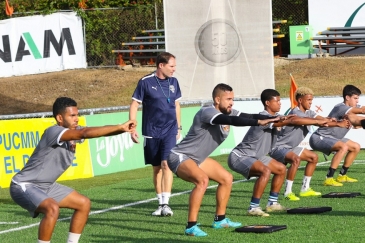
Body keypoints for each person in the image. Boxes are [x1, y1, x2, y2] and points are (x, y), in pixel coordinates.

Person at [9, 97, 136, 243]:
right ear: (60, 118)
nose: (77, 119)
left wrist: (123, 129)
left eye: (78, 115)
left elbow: (99, 132)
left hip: (46, 186)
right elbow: (85, 133)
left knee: (83, 203)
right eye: (72, 115)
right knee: (52, 209)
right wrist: (120, 126)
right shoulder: (54, 132)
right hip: (24, 185)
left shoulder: (74, 131)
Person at [167, 83, 280, 237]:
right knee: (202, 181)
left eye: (232, 99)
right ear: (217, 99)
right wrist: (258, 122)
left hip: (197, 158)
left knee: (227, 178)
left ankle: (220, 220)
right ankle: (191, 227)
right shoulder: (207, 112)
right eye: (228, 99)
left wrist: (276, 118)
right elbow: (235, 121)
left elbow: (250, 116)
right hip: (180, 155)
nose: (231, 102)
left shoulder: (229, 111)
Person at [228, 89, 329, 217]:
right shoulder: (264, 117)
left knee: (281, 169)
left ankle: (272, 204)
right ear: (267, 103)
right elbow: (292, 121)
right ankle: (253, 207)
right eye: (277, 101)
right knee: (265, 171)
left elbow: (291, 119)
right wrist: (317, 122)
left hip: (256, 156)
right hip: (240, 156)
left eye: (280, 100)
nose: (280, 103)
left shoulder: (276, 116)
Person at [269, 87, 350, 201]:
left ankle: (305, 189)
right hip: (278, 147)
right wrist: (337, 124)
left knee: (313, 157)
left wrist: (334, 121)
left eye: (311, 100)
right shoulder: (295, 113)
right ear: (300, 100)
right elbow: (318, 122)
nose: (311, 102)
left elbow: (323, 120)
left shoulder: (309, 112)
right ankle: (288, 192)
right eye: (308, 100)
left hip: (290, 147)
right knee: (295, 160)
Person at [129, 52, 181, 216]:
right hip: (151, 132)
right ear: (161, 65)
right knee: (157, 168)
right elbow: (134, 104)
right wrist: (132, 126)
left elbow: (177, 105)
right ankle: (160, 204)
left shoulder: (174, 82)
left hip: (170, 131)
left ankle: (166, 204)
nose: (174, 70)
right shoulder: (145, 82)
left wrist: (178, 127)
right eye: (171, 66)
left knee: (167, 165)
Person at [309, 84, 365, 186]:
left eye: (358, 98)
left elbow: (357, 121)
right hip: (319, 138)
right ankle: (329, 179)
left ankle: (342, 176)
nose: (357, 101)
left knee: (355, 147)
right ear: (347, 97)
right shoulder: (340, 107)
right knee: (343, 147)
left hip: (334, 138)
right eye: (355, 98)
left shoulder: (352, 109)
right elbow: (363, 111)